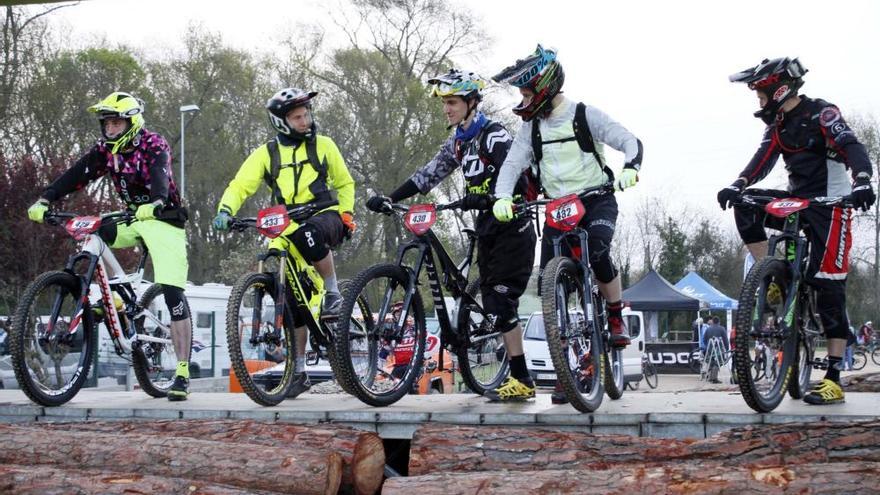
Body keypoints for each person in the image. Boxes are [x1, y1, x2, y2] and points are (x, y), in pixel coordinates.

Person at [366, 69, 538, 402]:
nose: (447, 109)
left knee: (501, 304)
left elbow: (518, 177)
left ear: (473, 102)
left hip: (514, 226)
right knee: (486, 295)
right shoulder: (458, 140)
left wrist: (490, 198)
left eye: (453, 102)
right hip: (487, 225)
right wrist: (391, 197)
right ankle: (468, 319)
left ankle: (523, 378)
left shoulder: (495, 136)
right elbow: (427, 175)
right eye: (445, 103)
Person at [718, 57, 876, 405]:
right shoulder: (777, 123)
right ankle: (773, 279)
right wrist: (738, 184)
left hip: (831, 205)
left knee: (828, 288)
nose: (758, 99)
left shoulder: (824, 113)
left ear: (780, 89)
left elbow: (852, 147)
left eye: (760, 92)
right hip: (798, 201)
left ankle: (833, 377)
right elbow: (763, 159)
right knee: (745, 205)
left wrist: (862, 180)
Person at [491, 45, 644, 404]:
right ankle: (570, 370)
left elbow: (628, 141)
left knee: (599, 247)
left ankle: (614, 312)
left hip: (596, 200)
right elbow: (512, 165)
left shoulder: (584, 115)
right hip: (558, 208)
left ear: (544, 86)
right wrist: (501, 197)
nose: (523, 100)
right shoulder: (530, 128)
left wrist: (630, 169)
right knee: (549, 284)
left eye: (526, 92)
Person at [26, 92, 194, 401]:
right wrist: (46, 198)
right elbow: (76, 175)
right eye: (107, 124)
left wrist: (156, 201)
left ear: (131, 122)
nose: (110, 130)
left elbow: (161, 173)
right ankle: (111, 298)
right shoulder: (105, 151)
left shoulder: (153, 145)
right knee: (94, 232)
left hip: (164, 219)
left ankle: (182, 370)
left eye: (116, 123)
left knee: (172, 291)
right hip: (131, 218)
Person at [213, 87, 356, 396]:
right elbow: (241, 184)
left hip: (325, 214)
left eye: (306, 115)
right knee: (292, 300)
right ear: (282, 122)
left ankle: (332, 292)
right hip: (286, 221)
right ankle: (299, 371)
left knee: (309, 235)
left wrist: (346, 213)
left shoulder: (324, 146)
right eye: (297, 117)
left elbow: (344, 182)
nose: (305, 121)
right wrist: (226, 210)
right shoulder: (266, 153)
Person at [703, 316, 730, 383]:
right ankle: (714, 378)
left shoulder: (708, 329)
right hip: (719, 348)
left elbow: (704, 339)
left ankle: (709, 377)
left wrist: (707, 346)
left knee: (710, 362)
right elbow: (725, 339)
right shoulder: (722, 329)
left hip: (709, 348)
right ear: (719, 322)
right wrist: (727, 349)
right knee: (718, 362)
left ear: (713, 321)